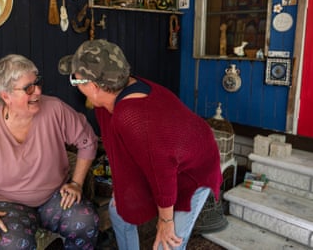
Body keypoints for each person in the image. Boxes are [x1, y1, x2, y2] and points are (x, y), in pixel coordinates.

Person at [58, 39, 223, 250]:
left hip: (193, 168)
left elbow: (161, 170)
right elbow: (118, 150)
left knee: (168, 243)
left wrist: (165, 222)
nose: (75, 85)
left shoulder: (132, 116)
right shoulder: (107, 100)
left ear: (93, 86)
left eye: (75, 80)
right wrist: (121, 186)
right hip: (167, 159)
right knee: (118, 211)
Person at [0, 54, 100, 249]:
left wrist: (76, 183)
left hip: (53, 196)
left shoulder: (55, 109)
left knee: (86, 222)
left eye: (38, 83)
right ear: (6, 96)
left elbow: (87, 141)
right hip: (5, 203)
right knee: (14, 244)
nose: (38, 91)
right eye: (28, 88)